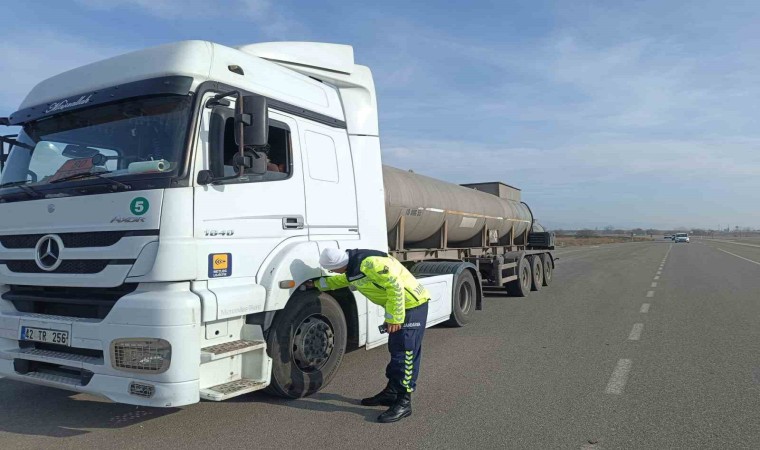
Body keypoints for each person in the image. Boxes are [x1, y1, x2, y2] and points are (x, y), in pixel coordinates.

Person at [308, 248, 430, 423]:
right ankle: (391, 392)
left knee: (405, 354)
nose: (331, 272)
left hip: (412, 306)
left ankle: (404, 402)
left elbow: (395, 286)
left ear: (338, 264)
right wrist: (317, 285)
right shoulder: (354, 267)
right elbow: (342, 280)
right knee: (396, 351)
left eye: (331, 269)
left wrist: (395, 318)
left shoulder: (371, 264)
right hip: (403, 307)